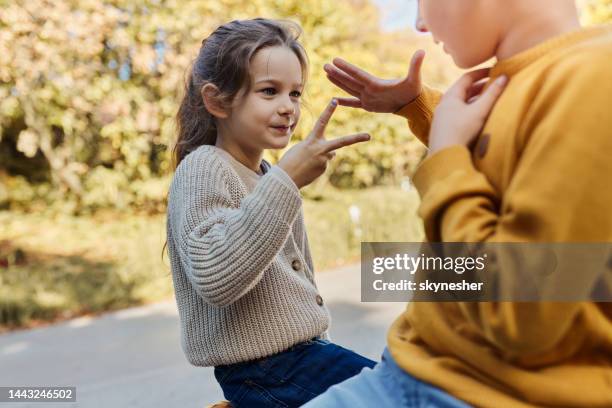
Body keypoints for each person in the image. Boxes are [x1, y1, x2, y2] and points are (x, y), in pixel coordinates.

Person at [304, 0, 612, 406]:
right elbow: (504, 158)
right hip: (423, 368)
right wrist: (418, 107)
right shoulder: (548, 74)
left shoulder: (593, 83)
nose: (418, 21)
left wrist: (445, 156)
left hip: (476, 390)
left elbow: (518, 309)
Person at [165, 18, 375, 407]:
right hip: (265, 371)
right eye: (269, 91)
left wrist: (280, 181)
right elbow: (214, 274)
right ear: (216, 101)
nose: (288, 107)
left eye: (295, 93)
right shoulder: (204, 167)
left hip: (300, 360)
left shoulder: (263, 174)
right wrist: (286, 181)